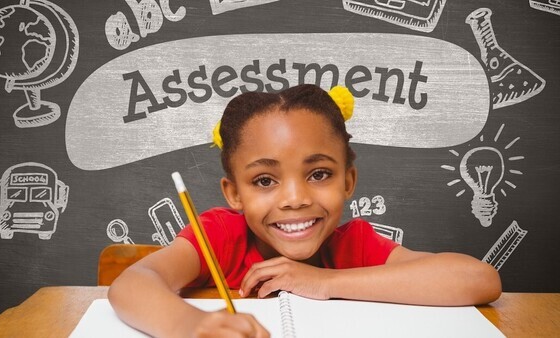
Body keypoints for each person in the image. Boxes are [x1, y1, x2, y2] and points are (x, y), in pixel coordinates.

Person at [108, 84, 502, 337]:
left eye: (318, 173)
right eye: (264, 180)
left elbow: (478, 280)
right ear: (234, 194)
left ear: (348, 181)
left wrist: (322, 281)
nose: (295, 198)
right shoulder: (219, 235)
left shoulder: (355, 245)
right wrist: (193, 327)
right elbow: (132, 283)